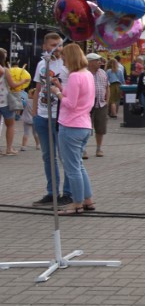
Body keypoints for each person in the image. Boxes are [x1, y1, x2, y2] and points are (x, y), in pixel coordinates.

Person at [53, 44, 97, 216]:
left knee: (72, 168)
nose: (63, 61)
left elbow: (70, 104)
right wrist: (61, 88)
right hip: (84, 124)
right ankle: (88, 199)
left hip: (70, 125)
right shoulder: (87, 75)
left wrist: (57, 92)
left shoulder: (74, 76)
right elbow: (78, 98)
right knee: (79, 165)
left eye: (64, 57)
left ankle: (77, 203)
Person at [30, 33, 71, 208]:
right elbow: (38, 89)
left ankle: (68, 193)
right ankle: (51, 191)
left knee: (65, 156)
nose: (57, 48)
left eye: (60, 45)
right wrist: (34, 113)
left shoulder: (67, 65)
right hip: (42, 115)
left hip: (60, 116)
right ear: (45, 47)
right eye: (53, 45)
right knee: (48, 156)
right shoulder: (41, 63)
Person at [1, 48, 29, 155]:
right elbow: (13, 85)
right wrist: (23, 81)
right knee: (10, 125)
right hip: (5, 101)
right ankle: (9, 149)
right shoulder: (5, 70)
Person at [86, 53, 110, 156]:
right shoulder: (84, 73)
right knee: (85, 128)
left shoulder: (103, 73)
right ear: (90, 62)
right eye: (97, 60)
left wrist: (107, 101)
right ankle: (83, 149)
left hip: (101, 104)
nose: (100, 62)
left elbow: (107, 87)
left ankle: (99, 149)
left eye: (100, 60)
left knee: (100, 128)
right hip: (87, 105)